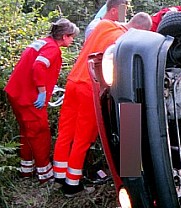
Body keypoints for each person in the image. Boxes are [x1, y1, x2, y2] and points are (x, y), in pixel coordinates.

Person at [52, 12, 153, 197]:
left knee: (65, 132)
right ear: (140, 31)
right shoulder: (124, 43)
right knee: (82, 138)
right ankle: (71, 185)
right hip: (89, 88)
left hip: (73, 81)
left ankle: (59, 177)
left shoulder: (104, 25)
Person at [4, 18, 79, 184]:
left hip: (16, 92)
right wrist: (42, 92)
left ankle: (26, 171)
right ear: (65, 36)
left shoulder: (42, 42)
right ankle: (45, 175)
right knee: (40, 133)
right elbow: (38, 66)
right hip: (28, 97)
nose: (72, 40)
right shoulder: (52, 48)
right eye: (72, 37)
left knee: (26, 132)